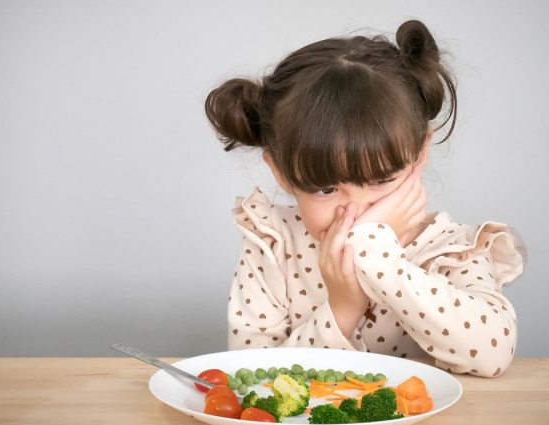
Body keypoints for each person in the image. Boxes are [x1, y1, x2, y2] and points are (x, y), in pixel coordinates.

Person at [204, 20, 526, 377]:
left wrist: (381, 260)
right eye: (326, 189)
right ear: (280, 172)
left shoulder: (451, 250)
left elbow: (490, 354)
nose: (356, 213)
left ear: (419, 153)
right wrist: (343, 308)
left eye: (381, 181)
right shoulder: (272, 245)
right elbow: (255, 378)